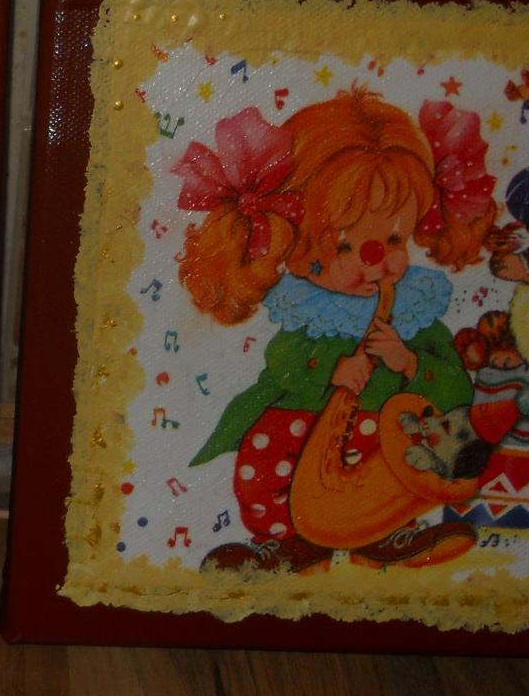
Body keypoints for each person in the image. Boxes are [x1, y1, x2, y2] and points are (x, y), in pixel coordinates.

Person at [173, 86, 496, 571]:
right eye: (345, 246)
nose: (376, 261)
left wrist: (409, 362)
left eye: (394, 239)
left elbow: (454, 384)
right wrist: (331, 369)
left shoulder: (413, 311)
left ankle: (383, 531)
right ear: (296, 245)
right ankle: (286, 541)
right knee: (264, 457)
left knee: (401, 455)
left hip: (384, 432)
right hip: (304, 422)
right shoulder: (310, 310)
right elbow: (283, 362)